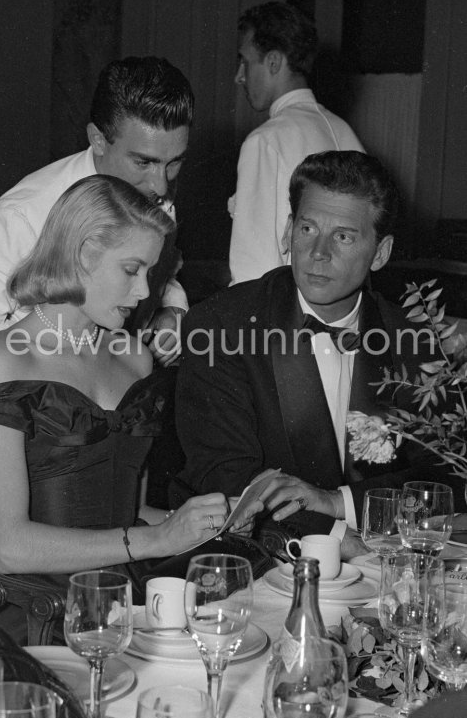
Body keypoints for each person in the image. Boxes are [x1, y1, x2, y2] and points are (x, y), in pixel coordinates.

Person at [0, 175, 257, 634]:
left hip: (129, 598)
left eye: (150, 273)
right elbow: (8, 547)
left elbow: (126, 513)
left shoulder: (134, 358)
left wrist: (211, 517)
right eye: (131, 269)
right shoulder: (3, 361)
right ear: (82, 254)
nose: (142, 293)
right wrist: (156, 539)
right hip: (41, 611)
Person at [175, 150, 464, 547]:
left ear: (381, 253)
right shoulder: (220, 326)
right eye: (308, 229)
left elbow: (448, 476)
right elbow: (229, 486)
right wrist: (335, 535)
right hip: (263, 562)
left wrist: (338, 503)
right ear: (288, 231)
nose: (318, 253)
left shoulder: (418, 338)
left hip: (385, 552)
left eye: (343, 236)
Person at [0, 56, 193, 366]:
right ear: (98, 139)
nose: (161, 186)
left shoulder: (150, 191)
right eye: (143, 162)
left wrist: (172, 307)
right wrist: (78, 350)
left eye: (174, 162)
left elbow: (151, 268)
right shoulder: (25, 214)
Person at [229, 1, 364, 285]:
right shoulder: (345, 132)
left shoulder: (265, 141)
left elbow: (253, 274)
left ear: (274, 62)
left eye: (245, 61)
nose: (239, 76)